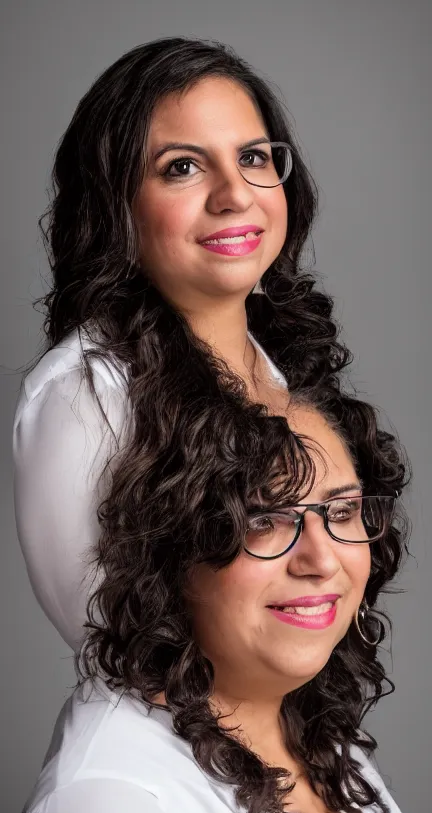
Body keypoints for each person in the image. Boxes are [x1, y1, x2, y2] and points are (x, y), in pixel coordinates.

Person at [12, 36, 344, 651]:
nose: (236, 194)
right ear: (117, 208)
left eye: (253, 158)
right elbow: (115, 648)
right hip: (168, 745)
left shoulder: (278, 365)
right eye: (182, 167)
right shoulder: (84, 392)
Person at [16, 395, 412, 813]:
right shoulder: (107, 803)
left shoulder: (311, 732)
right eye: (263, 521)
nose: (322, 561)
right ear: (172, 555)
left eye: (341, 512)